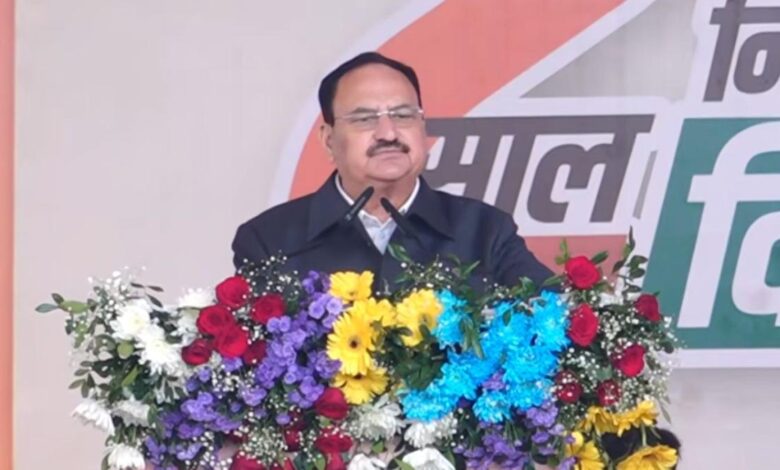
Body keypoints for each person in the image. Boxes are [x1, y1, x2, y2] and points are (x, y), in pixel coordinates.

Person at [232, 52, 553, 292]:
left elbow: (551, 321)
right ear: (329, 140)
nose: (388, 133)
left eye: (403, 115)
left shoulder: (485, 230)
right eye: (364, 119)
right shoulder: (268, 240)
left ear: (422, 127)